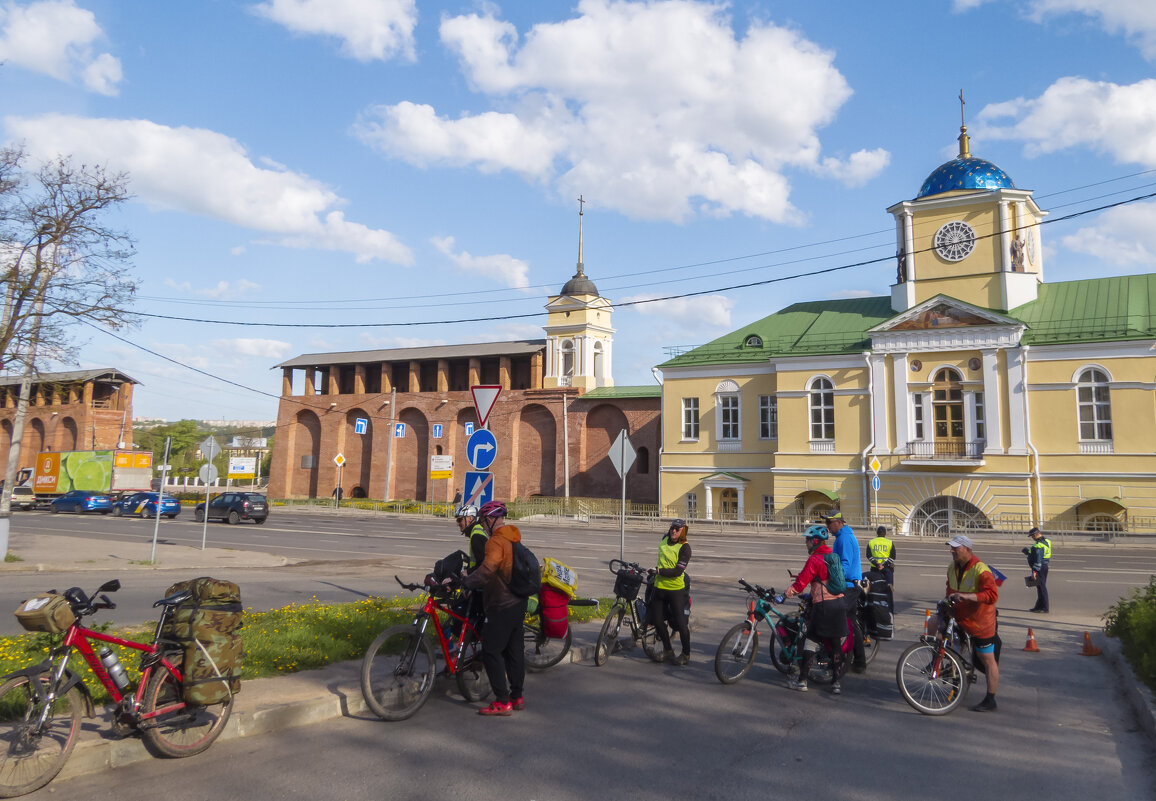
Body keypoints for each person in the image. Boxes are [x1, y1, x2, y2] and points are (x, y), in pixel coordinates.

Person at [460, 500, 527, 716]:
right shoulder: (514, 538)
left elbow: (486, 571)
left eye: (482, 520)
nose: (482, 523)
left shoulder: (495, 542)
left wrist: (466, 582)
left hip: (501, 603)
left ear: (490, 520)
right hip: (519, 602)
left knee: (491, 651)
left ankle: (501, 701)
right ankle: (517, 697)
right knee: (514, 651)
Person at [784, 524, 847, 694]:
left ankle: (802, 681)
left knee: (810, 642)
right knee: (835, 645)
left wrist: (785, 595)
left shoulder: (814, 560)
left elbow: (800, 583)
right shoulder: (834, 557)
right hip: (839, 605)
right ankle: (836, 683)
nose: (806, 543)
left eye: (808, 540)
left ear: (815, 541)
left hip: (824, 607)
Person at [944, 534, 1001, 712]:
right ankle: (951, 679)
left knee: (987, 658)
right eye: (951, 547)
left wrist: (968, 596)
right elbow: (949, 588)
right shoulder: (952, 567)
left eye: (955, 548)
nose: (951, 550)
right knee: (938, 630)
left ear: (967, 549)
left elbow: (992, 595)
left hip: (981, 622)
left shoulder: (981, 569)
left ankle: (991, 700)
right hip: (960, 617)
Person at [826, 512, 866, 672]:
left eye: (829, 522)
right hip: (848, 585)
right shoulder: (841, 537)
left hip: (849, 586)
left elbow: (845, 564)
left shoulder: (844, 538)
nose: (827, 526)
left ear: (839, 522)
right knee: (849, 622)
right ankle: (857, 660)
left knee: (838, 619)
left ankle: (842, 657)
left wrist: (832, 578)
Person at [651, 519, 692, 665]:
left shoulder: (685, 548)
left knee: (681, 624)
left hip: (675, 590)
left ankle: (686, 654)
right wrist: (656, 572)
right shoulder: (664, 539)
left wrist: (659, 571)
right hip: (659, 587)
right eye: (672, 528)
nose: (673, 531)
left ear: (683, 531)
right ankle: (668, 650)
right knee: (656, 620)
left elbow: (677, 571)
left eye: (677, 529)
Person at [1023, 527, 1051, 613]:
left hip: (1039, 568)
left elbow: (1038, 559)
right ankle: (1038, 606)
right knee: (1040, 587)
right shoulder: (1047, 541)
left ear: (1036, 534)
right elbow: (1039, 555)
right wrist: (1029, 553)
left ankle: (1045, 608)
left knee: (1041, 588)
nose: (1032, 538)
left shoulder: (1038, 545)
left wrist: (1034, 572)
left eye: (1032, 536)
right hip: (1044, 566)